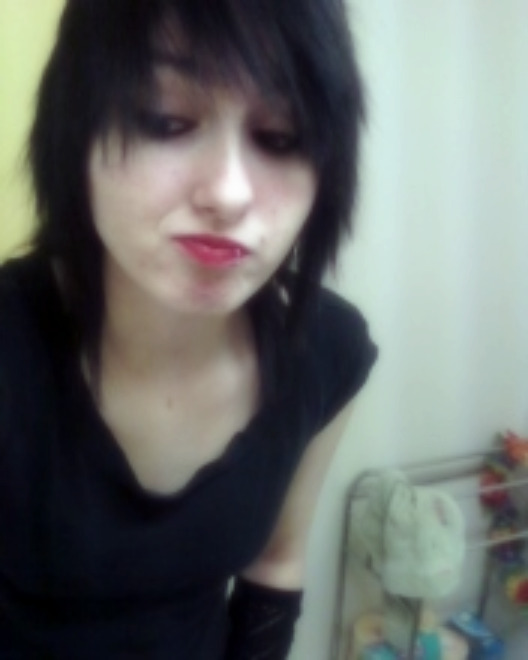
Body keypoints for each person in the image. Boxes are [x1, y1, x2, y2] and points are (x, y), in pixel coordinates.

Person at [0, 0, 377, 657]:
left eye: (280, 136)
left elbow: (276, 562)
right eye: (165, 119)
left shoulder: (326, 352)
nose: (228, 193)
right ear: (76, 131)